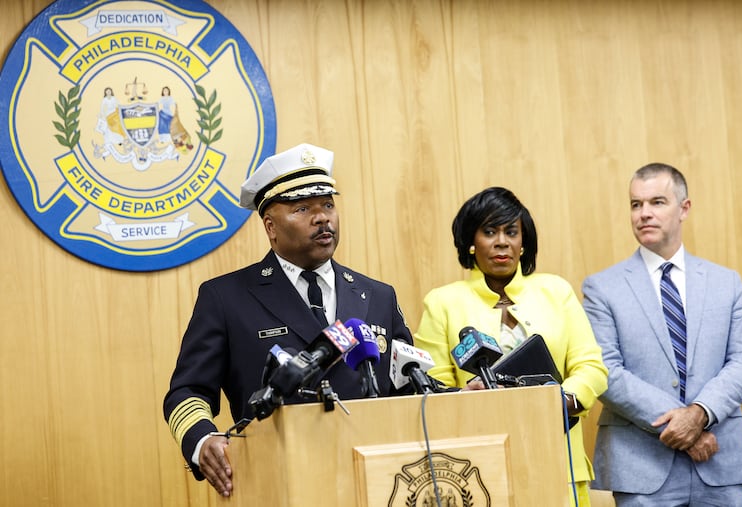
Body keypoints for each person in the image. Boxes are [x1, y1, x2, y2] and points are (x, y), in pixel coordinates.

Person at [163, 143, 414, 497]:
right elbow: (188, 392)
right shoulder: (226, 297)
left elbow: (410, 385)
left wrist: (460, 397)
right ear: (270, 226)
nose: (322, 218)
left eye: (328, 205)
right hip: (278, 483)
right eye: (303, 208)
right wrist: (202, 439)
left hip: (376, 482)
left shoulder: (378, 295)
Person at [414, 186, 608, 507]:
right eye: (489, 232)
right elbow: (430, 389)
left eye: (511, 232)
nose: (502, 241)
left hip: (560, 460)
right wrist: (465, 397)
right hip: (480, 469)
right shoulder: (442, 303)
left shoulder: (555, 291)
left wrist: (558, 401)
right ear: (471, 242)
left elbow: (591, 367)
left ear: (523, 242)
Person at [582, 162, 742, 506]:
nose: (644, 213)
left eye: (657, 202)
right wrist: (684, 427)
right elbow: (606, 371)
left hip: (719, 459)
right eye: (636, 204)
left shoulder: (726, 283)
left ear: (684, 208)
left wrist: (700, 413)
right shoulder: (601, 288)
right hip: (641, 465)